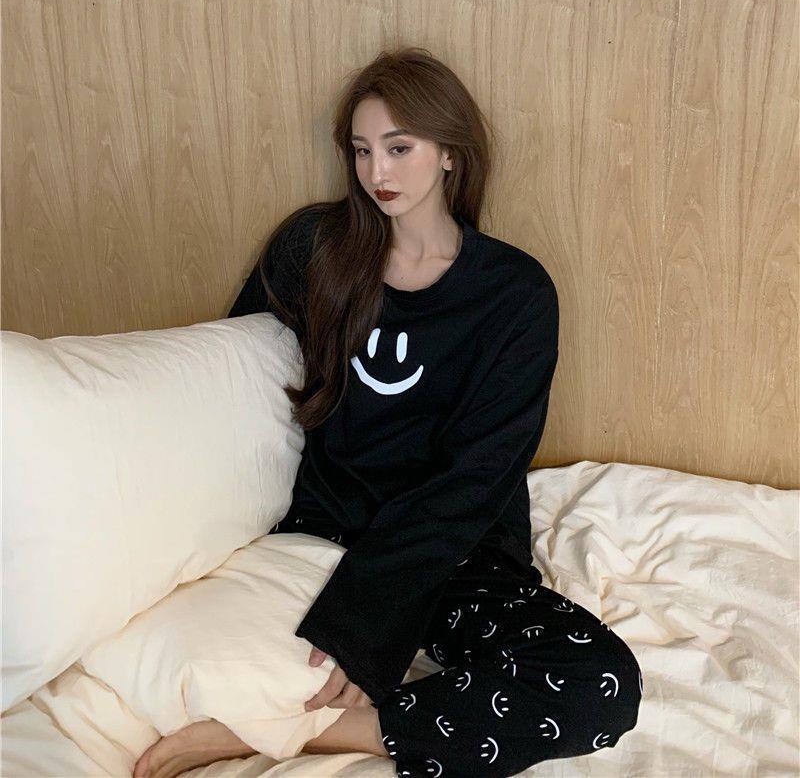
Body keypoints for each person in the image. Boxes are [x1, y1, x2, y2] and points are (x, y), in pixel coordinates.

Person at [133, 47, 642, 778]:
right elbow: (231, 387)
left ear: (450, 153)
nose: (378, 172)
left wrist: (369, 618)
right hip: (320, 533)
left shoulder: (514, 294)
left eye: (400, 148)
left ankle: (295, 734)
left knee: (600, 685)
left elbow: (478, 477)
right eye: (363, 150)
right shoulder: (315, 249)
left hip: (454, 551)